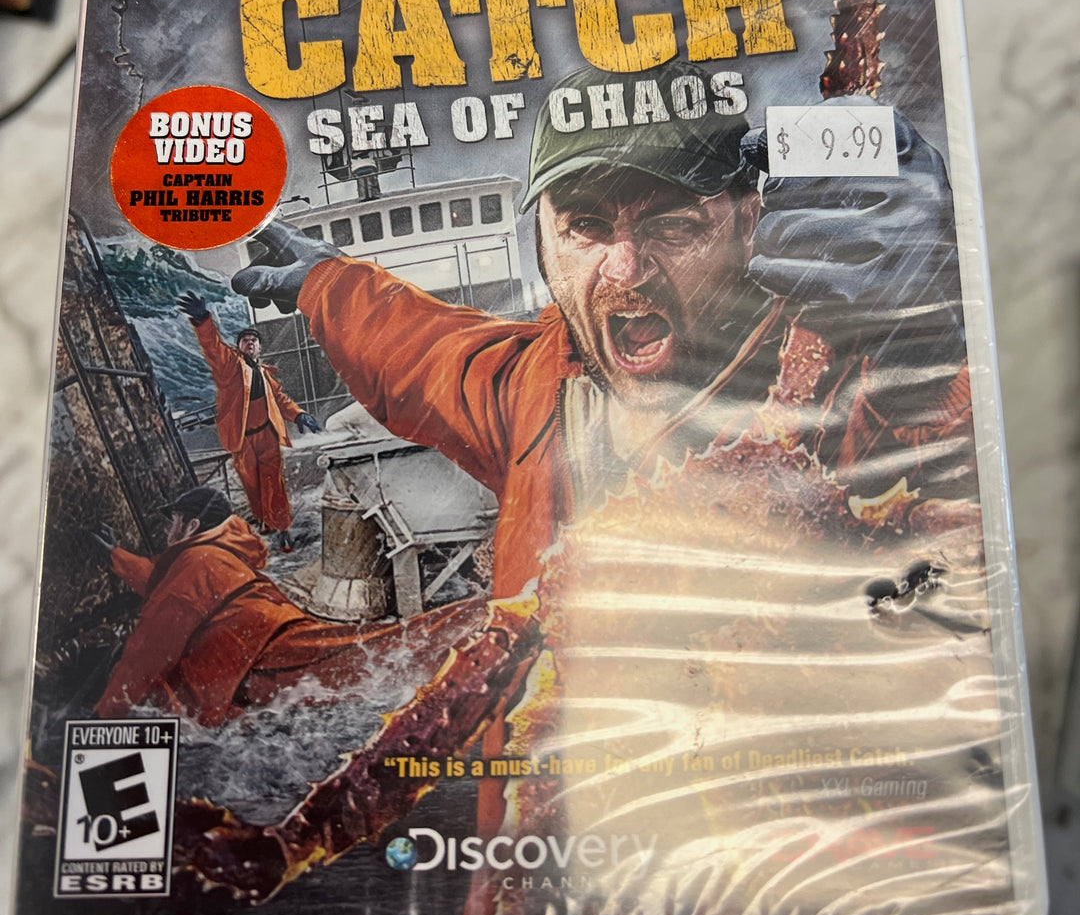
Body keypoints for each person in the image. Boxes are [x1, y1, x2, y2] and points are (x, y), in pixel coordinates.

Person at [231, 61, 971, 600]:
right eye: (585, 225)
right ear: (541, 246)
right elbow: (422, 350)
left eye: (673, 224)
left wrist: (933, 345)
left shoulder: (849, 386)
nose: (625, 269)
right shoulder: (533, 387)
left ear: (749, 221)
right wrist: (327, 282)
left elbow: (961, 510)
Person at [92, 486, 485, 726]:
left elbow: (149, 649)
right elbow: (164, 585)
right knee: (376, 652)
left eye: (174, 521)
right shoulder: (216, 552)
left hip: (262, 658)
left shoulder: (195, 561)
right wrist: (116, 556)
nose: (168, 530)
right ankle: (482, 623)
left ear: (192, 526)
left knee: (372, 664)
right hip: (276, 637)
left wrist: (104, 716)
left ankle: (483, 629)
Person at [177, 296, 321, 550]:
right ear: (239, 346)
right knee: (252, 486)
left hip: (267, 435)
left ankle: (283, 528)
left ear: (259, 348)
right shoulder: (230, 367)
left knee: (273, 483)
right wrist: (203, 321)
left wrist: (299, 415)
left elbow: (280, 400)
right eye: (245, 340)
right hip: (242, 439)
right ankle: (265, 520)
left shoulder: (265, 374)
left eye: (254, 340)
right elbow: (213, 348)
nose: (250, 343)